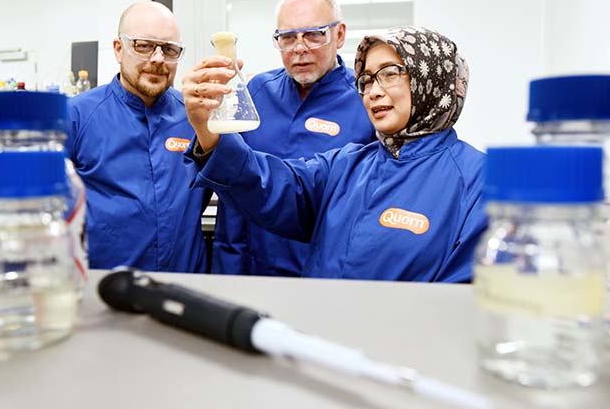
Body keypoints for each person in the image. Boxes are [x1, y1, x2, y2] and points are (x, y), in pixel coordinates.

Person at [182, 26, 485, 282]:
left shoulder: (477, 182)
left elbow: (462, 297)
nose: (374, 91)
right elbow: (272, 184)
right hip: (318, 338)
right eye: (366, 79)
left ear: (433, 81)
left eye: (390, 74)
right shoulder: (349, 164)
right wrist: (206, 128)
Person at [213, 0, 376, 277]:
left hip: (323, 275)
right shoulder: (256, 93)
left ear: (339, 35)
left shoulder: (368, 101)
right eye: (287, 38)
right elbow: (232, 189)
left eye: (314, 34)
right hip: (253, 271)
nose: (299, 48)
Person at [67, 1, 207, 271]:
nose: (157, 59)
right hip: (105, 287)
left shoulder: (196, 118)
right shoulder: (76, 117)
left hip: (185, 286)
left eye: (169, 49)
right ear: (119, 49)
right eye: (143, 45)